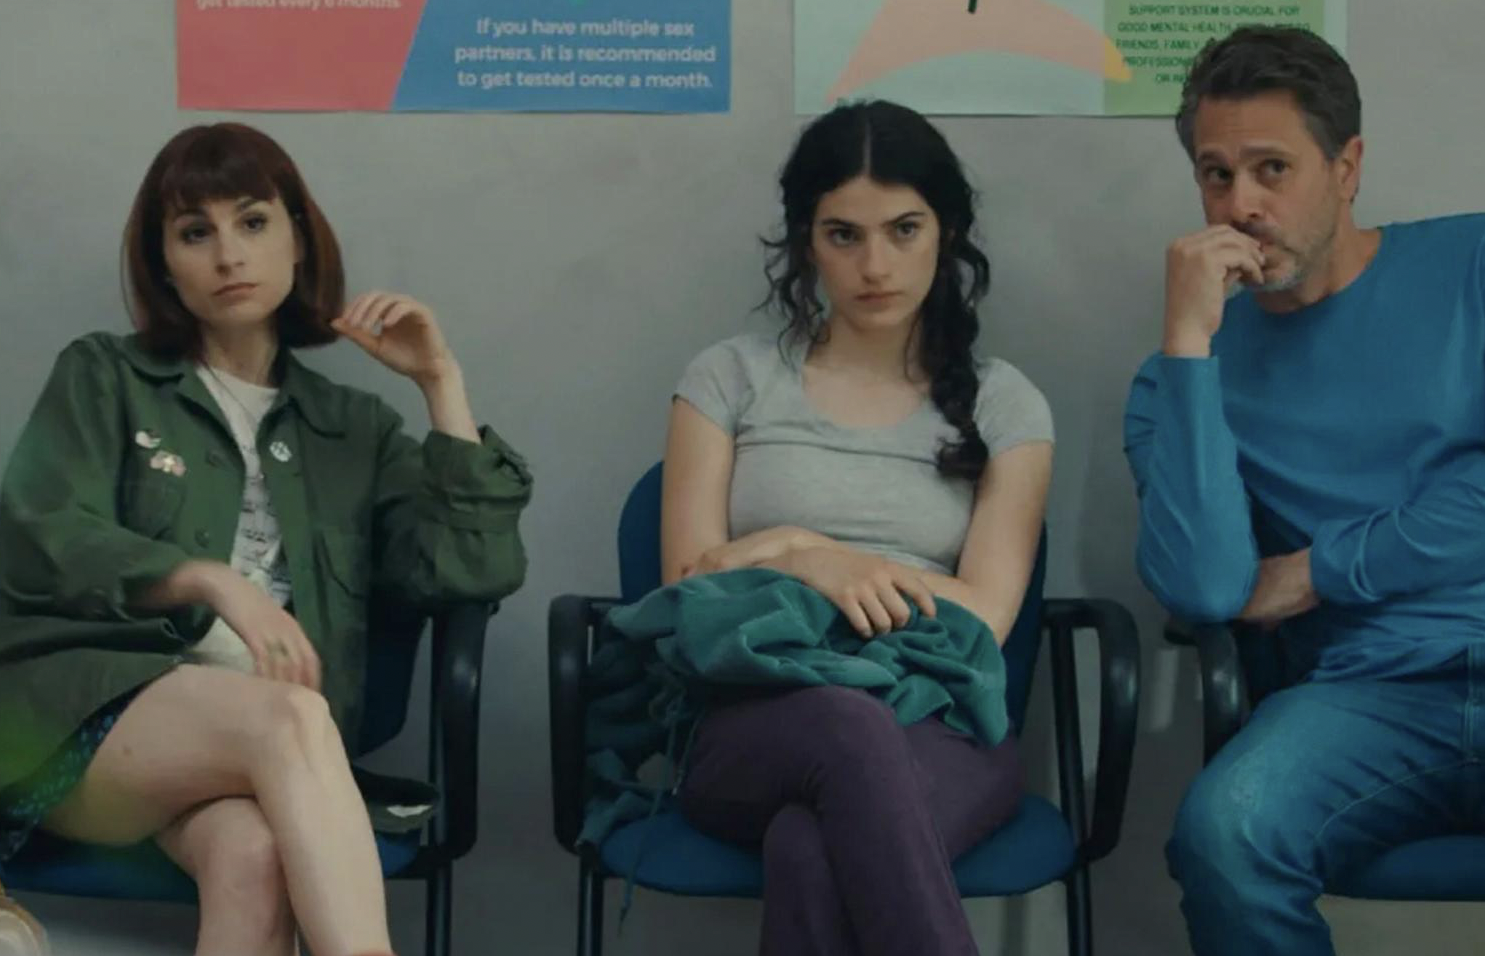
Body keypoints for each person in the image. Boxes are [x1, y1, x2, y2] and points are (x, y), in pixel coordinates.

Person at [1123, 25, 1485, 956]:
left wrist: (1321, 569)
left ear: (1347, 167)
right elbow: (1206, 590)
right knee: (1226, 836)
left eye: (1271, 168)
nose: (1240, 204)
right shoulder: (1177, 377)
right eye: (1216, 175)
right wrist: (1187, 343)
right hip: (1366, 691)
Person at [0, 123, 532, 956]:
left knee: (253, 856)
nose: (228, 255)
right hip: (86, 729)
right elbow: (41, 536)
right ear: (164, 263)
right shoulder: (104, 376)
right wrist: (210, 580)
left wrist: (441, 384)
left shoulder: (354, 428)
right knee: (289, 716)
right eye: (195, 232)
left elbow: (471, 570)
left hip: (264, 753)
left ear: (298, 239)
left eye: (252, 222)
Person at [660, 99, 1053, 955]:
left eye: (904, 230)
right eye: (844, 235)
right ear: (808, 243)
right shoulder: (728, 379)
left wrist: (794, 549)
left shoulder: (1005, 403)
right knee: (848, 725)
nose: (876, 265)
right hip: (754, 719)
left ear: (947, 232)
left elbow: (986, 616)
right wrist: (812, 563)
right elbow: (688, 590)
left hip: (944, 721)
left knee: (808, 849)